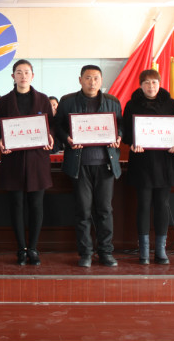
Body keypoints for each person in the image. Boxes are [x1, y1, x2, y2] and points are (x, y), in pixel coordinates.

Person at [54, 65, 122, 268]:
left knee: (105, 210)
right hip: (79, 164)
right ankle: (85, 253)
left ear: (101, 81)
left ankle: (106, 252)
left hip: (105, 164)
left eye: (96, 78)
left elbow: (121, 125)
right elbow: (58, 126)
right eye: (88, 78)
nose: (92, 82)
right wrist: (67, 138)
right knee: (83, 211)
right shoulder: (68, 101)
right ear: (80, 80)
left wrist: (119, 136)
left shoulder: (112, 102)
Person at [0, 59, 54, 266]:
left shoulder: (43, 100)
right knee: (16, 205)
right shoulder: (4, 101)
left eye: (27, 72)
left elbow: (52, 125)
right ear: (13, 76)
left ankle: (33, 248)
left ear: (32, 76)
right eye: (19, 72)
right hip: (13, 160)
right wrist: (0, 140)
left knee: (36, 205)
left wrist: (51, 136)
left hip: (37, 161)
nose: (23, 76)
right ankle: (21, 248)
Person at [121, 69, 174, 265]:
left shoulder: (170, 103)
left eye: (154, 82)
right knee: (143, 205)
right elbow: (127, 133)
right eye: (146, 83)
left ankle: (161, 250)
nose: (151, 86)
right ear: (140, 85)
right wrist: (132, 143)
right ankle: (144, 250)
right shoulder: (132, 104)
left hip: (164, 161)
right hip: (142, 161)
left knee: (162, 205)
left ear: (160, 83)